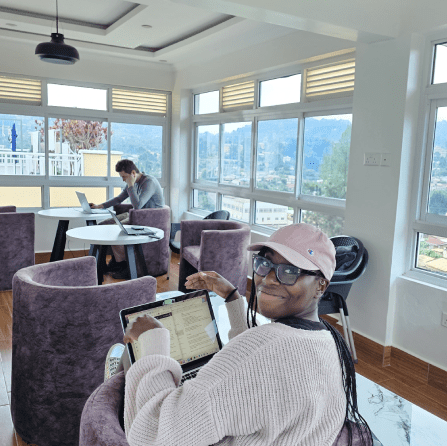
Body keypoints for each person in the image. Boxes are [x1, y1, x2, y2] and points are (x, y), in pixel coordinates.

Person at [105, 223, 373, 446]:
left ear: (321, 285)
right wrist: (233, 296)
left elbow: (160, 433)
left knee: (128, 364)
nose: (268, 279)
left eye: (290, 271)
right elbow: (258, 378)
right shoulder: (328, 339)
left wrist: (152, 341)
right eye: (265, 264)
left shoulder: (265, 350)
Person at [91, 159, 164, 279]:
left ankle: (123, 265)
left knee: (115, 229)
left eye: (124, 177)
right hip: (137, 215)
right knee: (103, 225)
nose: (123, 180)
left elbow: (138, 206)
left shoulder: (149, 182)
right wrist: (100, 206)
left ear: (133, 173)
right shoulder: (133, 181)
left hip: (150, 218)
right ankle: (104, 264)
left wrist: (131, 185)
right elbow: (119, 199)